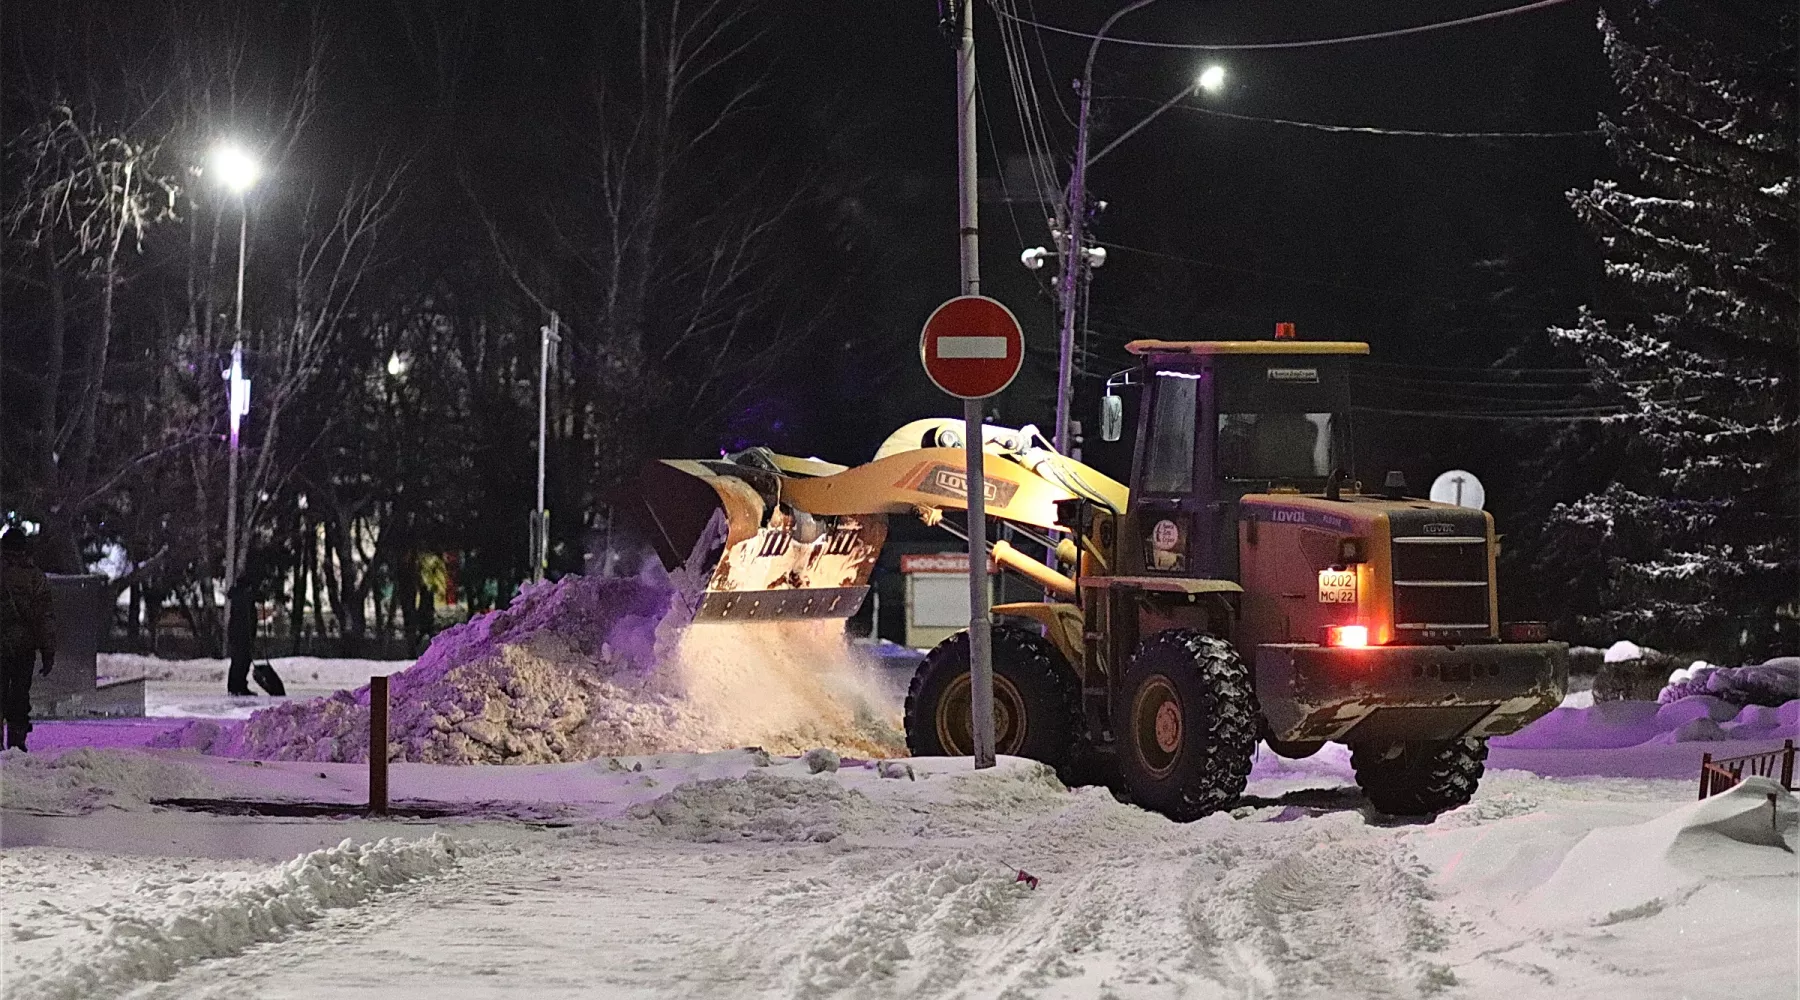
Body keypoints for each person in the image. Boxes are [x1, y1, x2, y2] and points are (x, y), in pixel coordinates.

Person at [0, 530, 57, 751]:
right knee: (20, 696)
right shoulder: (35, 577)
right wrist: (48, 652)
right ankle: (17, 744)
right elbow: (45, 617)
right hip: (24, 647)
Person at [226, 578, 256, 696]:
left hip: (240, 634)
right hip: (241, 635)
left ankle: (237, 686)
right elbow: (244, 619)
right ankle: (237, 686)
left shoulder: (240, 598)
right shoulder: (242, 599)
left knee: (240, 660)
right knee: (241, 660)